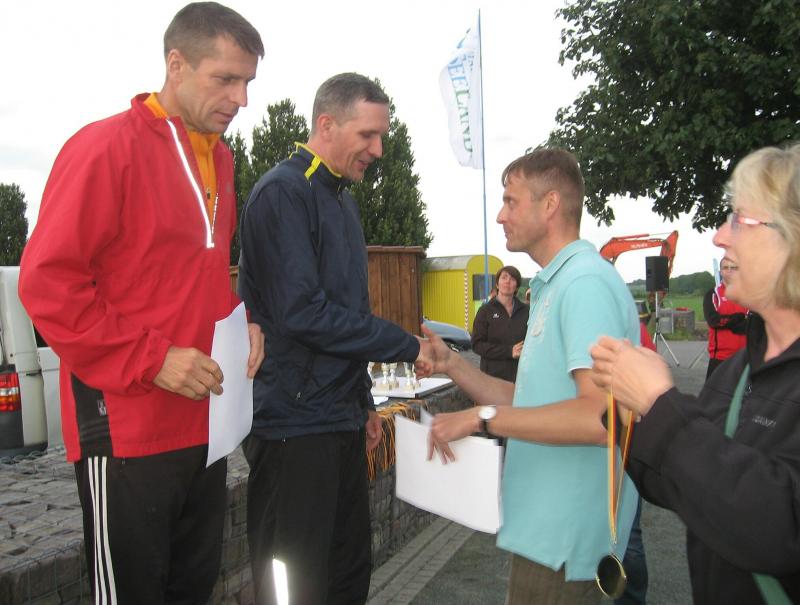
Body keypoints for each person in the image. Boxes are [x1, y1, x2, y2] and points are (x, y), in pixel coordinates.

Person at [17, 4, 265, 603]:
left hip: (205, 428)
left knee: (193, 589)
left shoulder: (221, 158)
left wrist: (242, 325)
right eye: (226, 79)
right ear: (176, 65)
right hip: (126, 431)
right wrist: (153, 360)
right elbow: (47, 285)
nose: (241, 99)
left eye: (248, 82)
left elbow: (193, 277)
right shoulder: (105, 148)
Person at [238, 73, 431, 605]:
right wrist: (408, 345)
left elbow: (349, 314)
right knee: (291, 583)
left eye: (381, 136)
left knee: (349, 573)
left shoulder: (343, 200)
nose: (379, 150)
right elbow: (304, 314)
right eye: (368, 134)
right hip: (292, 425)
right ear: (327, 124)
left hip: (338, 418)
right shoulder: (283, 192)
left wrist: (362, 402)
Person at [420, 148, 640, 604]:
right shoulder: (555, 285)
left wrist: (481, 418)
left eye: (510, 201)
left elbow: (600, 418)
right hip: (544, 533)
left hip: (566, 542)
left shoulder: (583, 284)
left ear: (550, 204)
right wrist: (453, 365)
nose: (500, 215)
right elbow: (531, 398)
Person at [590, 144, 800, 604]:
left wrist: (660, 404)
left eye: (739, 220)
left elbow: (780, 529)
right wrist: (627, 412)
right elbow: (689, 485)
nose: (720, 237)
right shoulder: (740, 370)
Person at [471, 265, 529, 382]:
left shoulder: (527, 311)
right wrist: (509, 351)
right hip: (492, 378)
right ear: (497, 284)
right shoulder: (485, 311)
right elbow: (477, 345)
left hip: (521, 377)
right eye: (504, 277)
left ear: (517, 286)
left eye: (512, 279)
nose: (508, 281)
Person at [703, 261, 748, 378]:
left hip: (745, 356)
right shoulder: (713, 294)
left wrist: (733, 323)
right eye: (725, 267)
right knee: (715, 391)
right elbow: (713, 321)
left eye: (733, 267)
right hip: (720, 358)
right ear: (721, 271)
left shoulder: (748, 295)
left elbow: (753, 321)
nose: (729, 270)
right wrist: (737, 318)